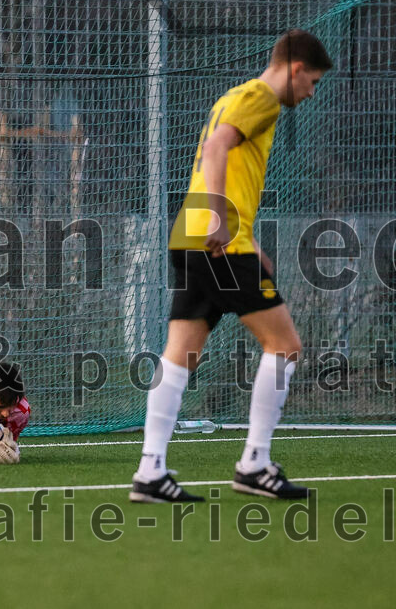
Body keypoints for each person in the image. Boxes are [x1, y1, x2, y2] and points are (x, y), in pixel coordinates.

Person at [130, 29, 333, 503]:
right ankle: (255, 463)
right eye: (314, 81)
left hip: (191, 236)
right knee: (284, 345)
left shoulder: (234, 96)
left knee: (179, 353)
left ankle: (150, 471)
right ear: (296, 68)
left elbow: (217, 160)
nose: (310, 91)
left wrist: (243, 234)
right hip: (219, 242)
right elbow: (218, 149)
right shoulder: (262, 96)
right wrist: (224, 223)